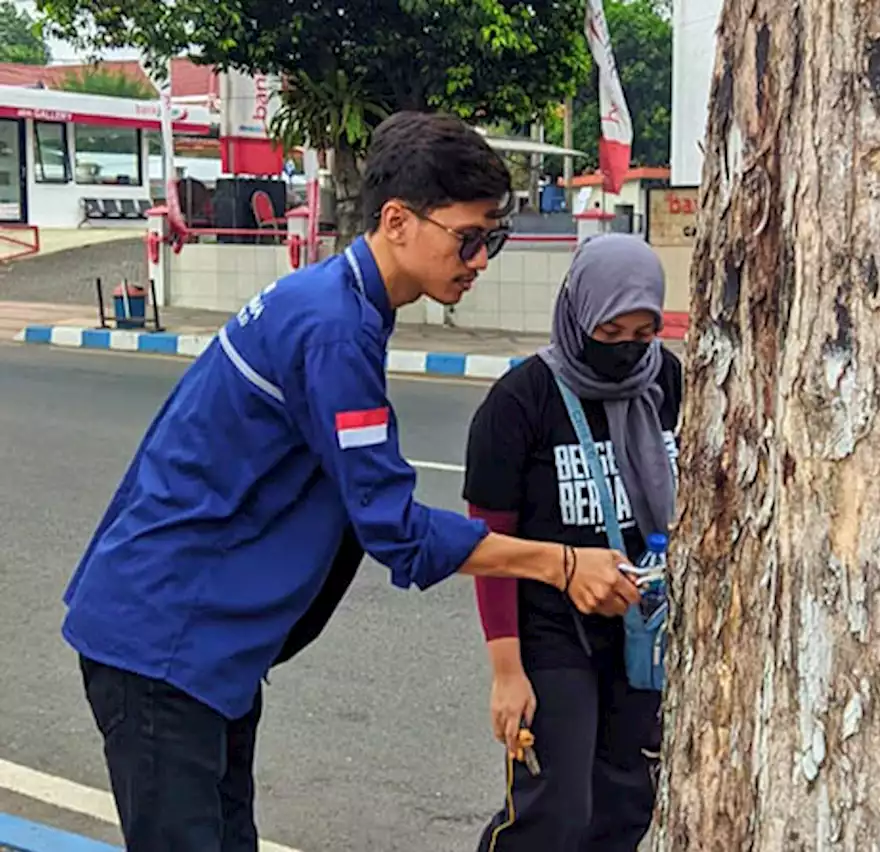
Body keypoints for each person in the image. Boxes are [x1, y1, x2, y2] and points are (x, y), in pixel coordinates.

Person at [60, 112, 640, 852]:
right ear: (398, 221)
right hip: (165, 644)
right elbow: (394, 530)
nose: (481, 259)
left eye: (493, 239)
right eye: (469, 237)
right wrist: (559, 564)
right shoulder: (334, 328)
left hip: (206, 649)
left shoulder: (338, 302)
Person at [466, 233, 680, 851]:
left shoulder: (664, 378)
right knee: (553, 807)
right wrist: (507, 673)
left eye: (642, 333)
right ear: (579, 313)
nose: (625, 350)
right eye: (610, 334)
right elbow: (488, 546)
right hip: (550, 631)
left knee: (627, 802)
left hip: (643, 630)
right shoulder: (519, 402)